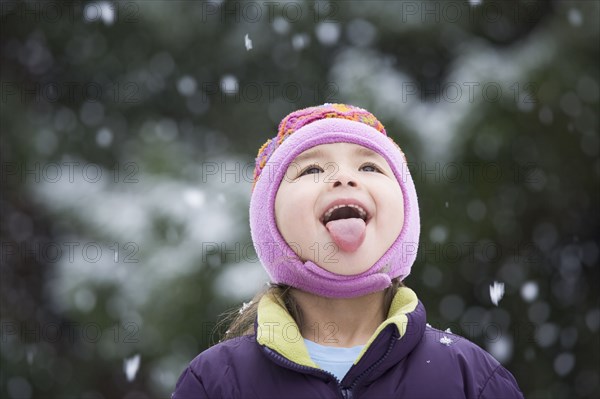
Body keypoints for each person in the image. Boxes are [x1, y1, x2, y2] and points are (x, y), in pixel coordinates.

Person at [172, 104, 524, 398]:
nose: (343, 178)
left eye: (369, 166)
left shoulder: (471, 377)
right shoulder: (216, 382)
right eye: (311, 168)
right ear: (269, 223)